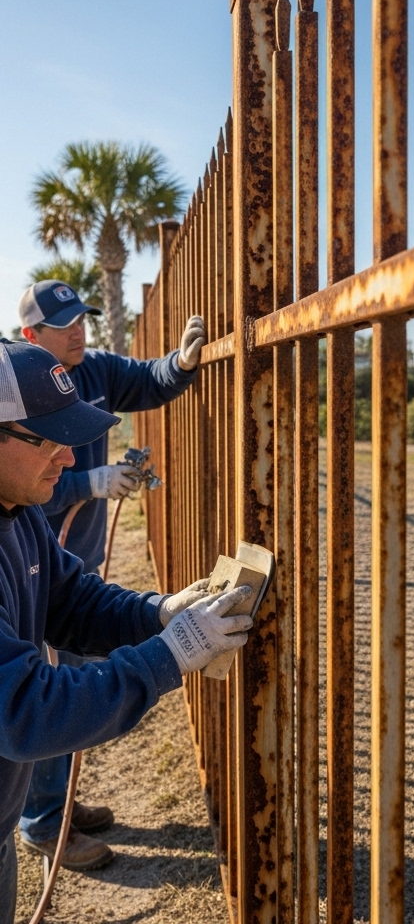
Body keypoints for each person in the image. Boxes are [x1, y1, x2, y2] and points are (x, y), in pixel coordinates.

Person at [0, 338, 252, 924]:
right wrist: (169, 655)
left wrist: (158, 612)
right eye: (49, 440)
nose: (69, 458)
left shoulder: (19, 511)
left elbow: (71, 599)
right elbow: (23, 710)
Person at [16, 279, 207, 870]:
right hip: (51, 552)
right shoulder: (21, 402)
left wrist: (178, 364)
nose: (78, 330)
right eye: (63, 324)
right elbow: (28, 708)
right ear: (31, 335)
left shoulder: (92, 370)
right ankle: (45, 820)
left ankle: (55, 806)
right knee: (50, 685)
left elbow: (147, 381)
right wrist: (89, 484)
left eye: (81, 318)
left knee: (65, 663)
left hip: (67, 557)